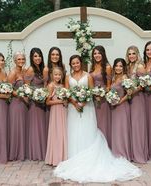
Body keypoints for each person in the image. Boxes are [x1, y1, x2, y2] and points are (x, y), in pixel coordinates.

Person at [54, 55, 142, 183]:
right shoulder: (68, 77)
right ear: (70, 64)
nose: (76, 65)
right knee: (74, 131)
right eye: (73, 63)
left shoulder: (88, 76)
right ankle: (74, 156)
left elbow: (91, 91)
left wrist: (84, 102)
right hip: (74, 109)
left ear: (81, 63)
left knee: (87, 130)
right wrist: (75, 103)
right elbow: (67, 92)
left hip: (88, 107)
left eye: (77, 63)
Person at [126, 45, 148, 163]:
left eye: (133, 53)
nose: (131, 56)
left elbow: (143, 84)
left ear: (137, 54)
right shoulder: (129, 66)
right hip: (130, 98)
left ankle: (139, 153)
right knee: (131, 125)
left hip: (138, 98)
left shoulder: (140, 66)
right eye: (129, 54)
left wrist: (133, 91)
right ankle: (132, 152)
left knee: (137, 125)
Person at [24, 47, 47, 160]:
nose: (38, 58)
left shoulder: (42, 68)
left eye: (39, 56)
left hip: (43, 102)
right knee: (36, 127)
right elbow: (26, 87)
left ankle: (43, 150)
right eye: (35, 56)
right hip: (34, 103)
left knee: (42, 126)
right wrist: (35, 96)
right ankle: (36, 153)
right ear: (31, 58)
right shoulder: (30, 70)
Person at [90, 45, 112, 147]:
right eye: (95, 53)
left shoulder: (107, 67)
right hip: (93, 99)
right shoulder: (92, 66)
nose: (97, 55)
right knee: (94, 123)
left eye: (99, 53)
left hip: (102, 100)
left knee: (103, 122)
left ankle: (104, 146)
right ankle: (95, 146)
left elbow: (109, 86)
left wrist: (101, 95)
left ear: (103, 54)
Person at [45, 67, 68, 166]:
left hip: (63, 111)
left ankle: (63, 157)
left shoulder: (63, 86)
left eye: (59, 74)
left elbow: (66, 99)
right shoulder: (51, 86)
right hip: (55, 111)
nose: (57, 76)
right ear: (52, 75)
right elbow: (47, 102)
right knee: (56, 132)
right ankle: (55, 158)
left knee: (63, 132)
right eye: (56, 74)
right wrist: (60, 101)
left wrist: (65, 102)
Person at [8, 51, 28, 161]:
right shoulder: (13, 73)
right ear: (15, 61)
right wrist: (21, 96)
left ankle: (23, 151)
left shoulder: (25, 71)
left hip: (25, 104)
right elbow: (9, 89)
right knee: (17, 127)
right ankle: (16, 153)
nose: (21, 61)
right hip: (16, 103)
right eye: (19, 59)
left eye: (23, 59)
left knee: (23, 126)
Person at [110, 58, 132, 160]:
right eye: (116, 66)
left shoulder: (124, 78)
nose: (118, 68)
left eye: (120, 66)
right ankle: (116, 152)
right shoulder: (114, 77)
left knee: (122, 129)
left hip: (122, 107)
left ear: (124, 68)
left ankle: (122, 153)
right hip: (114, 107)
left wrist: (119, 102)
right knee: (116, 130)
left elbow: (129, 93)